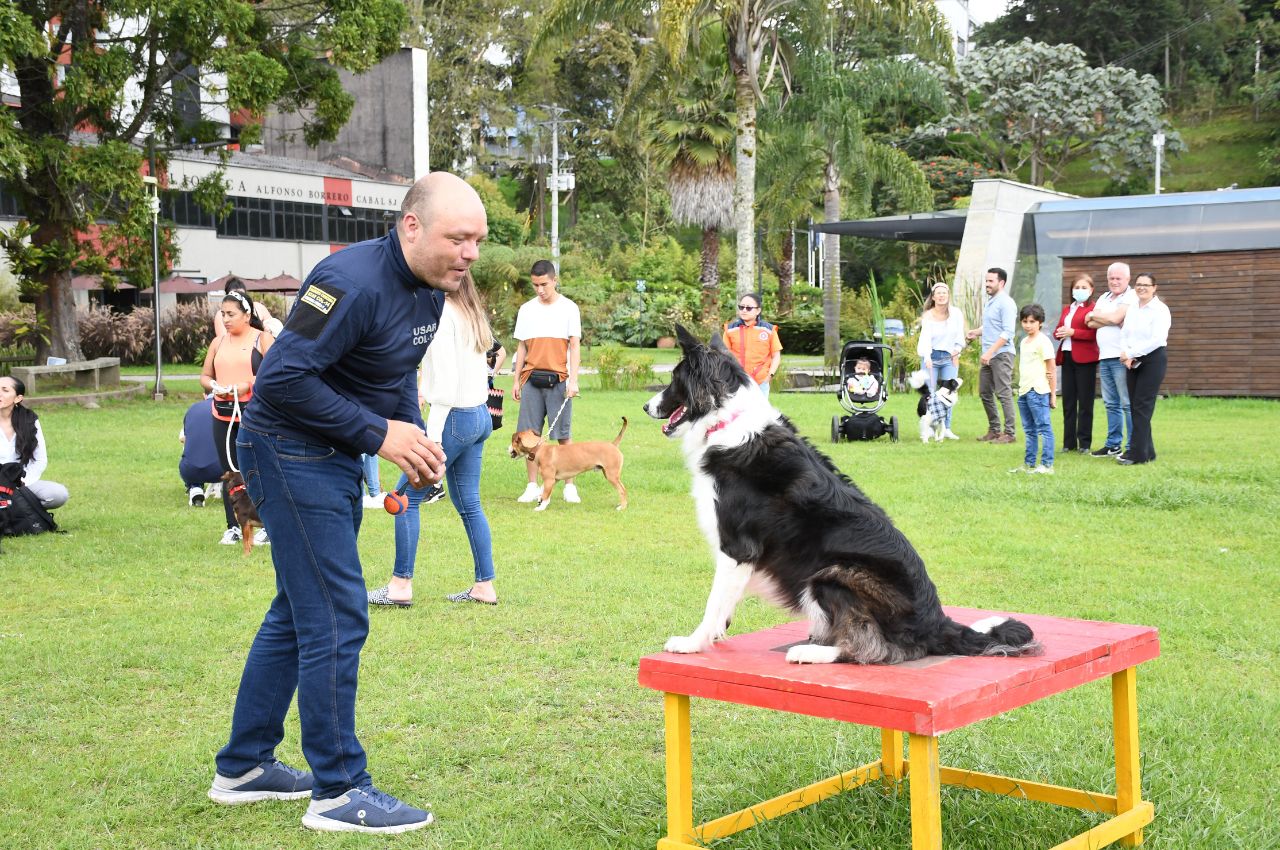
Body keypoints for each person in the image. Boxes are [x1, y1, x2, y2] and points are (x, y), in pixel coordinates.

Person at [208, 171, 487, 835]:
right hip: (286, 452)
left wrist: (410, 442)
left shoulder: (430, 292)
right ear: (411, 226)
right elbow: (280, 382)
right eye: (459, 238)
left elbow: (392, 374)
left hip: (330, 456)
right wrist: (379, 434)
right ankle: (338, 790)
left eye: (478, 239)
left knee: (298, 609)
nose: (471, 253)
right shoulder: (348, 281)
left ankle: (244, 767)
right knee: (337, 611)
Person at [368, 272, 500, 607]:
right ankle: (485, 586)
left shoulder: (440, 314)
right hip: (478, 413)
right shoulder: (472, 312)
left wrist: (434, 437)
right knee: (469, 504)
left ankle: (400, 585)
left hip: (453, 417)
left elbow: (446, 381)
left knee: (403, 498)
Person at [200, 290, 274, 546]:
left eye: (231, 314)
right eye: (223, 314)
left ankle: (267, 524)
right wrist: (214, 386)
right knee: (229, 472)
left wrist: (248, 385)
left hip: (254, 414)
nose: (226, 319)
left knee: (257, 468)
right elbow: (204, 376)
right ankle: (233, 526)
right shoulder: (218, 343)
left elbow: (276, 373)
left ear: (247, 315)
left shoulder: (262, 339)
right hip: (222, 413)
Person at [512, 260, 582, 503]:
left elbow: (574, 346)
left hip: (560, 380)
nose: (540, 290)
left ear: (554, 281)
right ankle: (532, 486)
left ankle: (569, 486)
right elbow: (521, 346)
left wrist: (573, 381)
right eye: (535, 285)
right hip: (531, 379)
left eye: (544, 284)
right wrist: (516, 380)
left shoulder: (569, 308)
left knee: (563, 434)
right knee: (529, 436)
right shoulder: (526, 310)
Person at [1085, 261, 1138, 458]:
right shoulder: (1104, 297)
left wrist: (1101, 317)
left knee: (1126, 402)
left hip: (1121, 356)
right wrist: (1107, 317)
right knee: (1110, 403)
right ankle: (1113, 444)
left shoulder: (1131, 295)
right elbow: (1089, 322)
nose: (1114, 282)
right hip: (1104, 356)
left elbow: (1115, 319)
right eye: (1111, 278)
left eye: (1118, 278)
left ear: (1127, 279)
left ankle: (1132, 444)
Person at [1117, 273, 1171, 466]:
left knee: (1142, 406)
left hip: (1152, 360)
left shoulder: (1160, 310)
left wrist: (1132, 353)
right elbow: (1124, 332)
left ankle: (1137, 453)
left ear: (1154, 288)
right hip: (1132, 360)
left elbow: (1156, 339)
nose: (1141, 288)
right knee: (1135, 406)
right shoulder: (1133, 308)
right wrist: (1125, 353)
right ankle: (1148, 451)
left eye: (1146, 285)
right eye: (1138, 285)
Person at [0, 376, 69, 509]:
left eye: (5, 390)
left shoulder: (29, 420)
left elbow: (39, 460)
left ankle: (15, 509)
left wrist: (23, 481)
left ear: (18, 398)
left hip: (20, 480)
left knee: (58, 494)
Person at [966, 267, 1018, 443]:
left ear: (1001, 283)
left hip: (1001, 355)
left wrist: (990, 352)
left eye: (991, 281)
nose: (987, 284)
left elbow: (1007, 332)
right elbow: (991, 327)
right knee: (985, 393)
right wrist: (976, 332)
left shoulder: (1006, 303)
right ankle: (995, 430)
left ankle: (1010, 434)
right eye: (986, 281)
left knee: (1003, 393)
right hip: (989, 355)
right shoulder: (991, 302)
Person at [1053, 274, 1100, 454]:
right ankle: (1068, 442)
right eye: (1077, 287)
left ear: (1091, 290)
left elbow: (1093, 334)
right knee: (1069, 402)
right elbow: (1058, 329)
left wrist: (1073, 332)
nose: (1079, 291)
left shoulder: (1094, 309)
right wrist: (1060, 332)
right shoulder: (1068, 309)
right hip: (1067, 356)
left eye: (1083, 287)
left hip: (1085, 358)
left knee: (1085, 403)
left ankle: (1085, 443)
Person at [916, 282, 965, 439]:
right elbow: (925, 338)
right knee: (929, 394)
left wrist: (957, 351)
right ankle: (929, 427)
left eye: (944, 292)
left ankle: (947, 428)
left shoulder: (956, 313)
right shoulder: (929, 315)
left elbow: (959, 335)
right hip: (931, 356)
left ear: (948, 295)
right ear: (934, 296)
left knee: (949, 393)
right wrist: (927, 357)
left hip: (948, 356)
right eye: (939, 293)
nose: (942, 295)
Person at [1011, 304, 1056, 474]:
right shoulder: (1024, 341)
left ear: (1040, 322)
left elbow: (1051, 368)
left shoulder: (1043, 341)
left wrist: (1052, 394)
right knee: (1029, 430)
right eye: (1024, 321)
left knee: (1044, 428)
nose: (1028, 325)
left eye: (1032, 321)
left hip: (1038, 391)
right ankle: (1029, 463)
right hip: (1024, 390)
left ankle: (1046, 464)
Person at [722, 291, 783, 398]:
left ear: (758, 310)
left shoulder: (768, 330)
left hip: (761, 382)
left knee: (760, 413)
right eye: (741, 307)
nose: (744, 310)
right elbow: (723, 355)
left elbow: (776, 355)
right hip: (736, 381)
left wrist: (770, 375)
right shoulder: (730, 330)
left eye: (749, 308)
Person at [179, 399, 224, 507]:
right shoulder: (228, 408)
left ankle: (195, 488)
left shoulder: (193, 408)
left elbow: (182, 438)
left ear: (205, 395)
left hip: (189, 470)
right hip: (221, 471)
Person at [215, 277, 283, 337]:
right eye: (235, 296)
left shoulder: (258, 307)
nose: (238, 299)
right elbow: (222, 340)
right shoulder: (221, 314)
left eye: (241, 295)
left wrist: (268, 329)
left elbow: (274, 326)